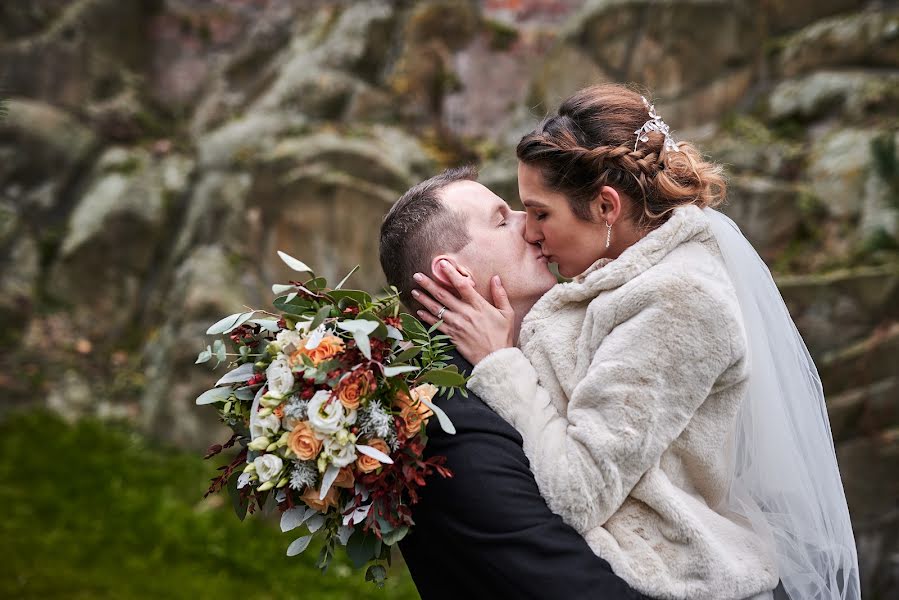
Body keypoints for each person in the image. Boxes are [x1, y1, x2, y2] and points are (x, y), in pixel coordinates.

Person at [412, 84, 860, 600]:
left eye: (540, 213)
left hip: (669, 581)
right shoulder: (623, 275)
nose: (530, 233)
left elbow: (578, 492)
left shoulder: (681, 300)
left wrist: (499, 361)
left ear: (605, 206)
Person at [379, 167, 649, 600]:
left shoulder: (546, 355)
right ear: (452, 274)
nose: (532, 223)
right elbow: (564, 584)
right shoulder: (448, 421)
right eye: (503, 220)